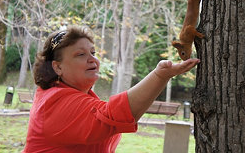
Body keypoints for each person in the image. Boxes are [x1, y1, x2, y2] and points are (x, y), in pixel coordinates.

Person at [23, 25, 200, 153]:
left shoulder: (70, 95)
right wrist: (160, 75)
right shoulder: (55, 101)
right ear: (58, 67)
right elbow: (113, 115)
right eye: (80, 54)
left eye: (93, 52)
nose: (92, 59)